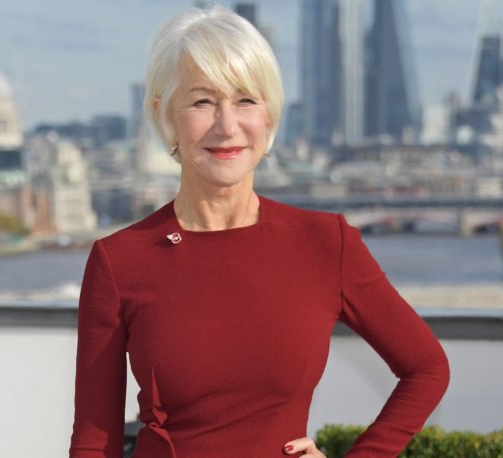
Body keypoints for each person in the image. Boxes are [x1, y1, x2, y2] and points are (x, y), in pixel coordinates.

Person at [70, 5, 449, 458]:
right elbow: (95, 442)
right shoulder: (120, 261)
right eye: (202, 101)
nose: (227, 126)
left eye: (246, 100)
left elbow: (427, 368)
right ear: (164, 113)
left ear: (269, 115)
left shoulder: (326, 243)